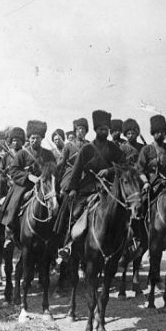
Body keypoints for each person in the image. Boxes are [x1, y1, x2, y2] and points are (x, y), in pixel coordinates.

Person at [57, 110, 125, 260]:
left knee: (121, 212)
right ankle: (68, 244)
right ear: (95, 130)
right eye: (101, 129)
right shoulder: (86, 149)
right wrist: (73, 189)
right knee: (74, 213)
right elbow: (76, 170)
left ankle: (125, 244)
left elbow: (123, 165)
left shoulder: (114, 148)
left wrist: (108, 171)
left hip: (108, 189)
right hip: (87, 187)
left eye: (106, 130)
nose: (104, 132)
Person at [0, 123, 55, 244]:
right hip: (25, 184)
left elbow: (54, 170)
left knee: (57, 201)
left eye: (38, 138)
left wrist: (45, 177)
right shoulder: (22, 154)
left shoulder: (48, 154)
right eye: (32, 138)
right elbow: (13, 170)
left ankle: (58, 236)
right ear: (29, 139)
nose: (35, 140)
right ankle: (9, 233)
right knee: (14, 201)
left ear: (42, 139)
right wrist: (29, 177)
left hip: (45, 185)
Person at [58, 118, 90, 195]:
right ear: (75, 131)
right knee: (63, 192)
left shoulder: (90, 145)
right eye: (79, 129)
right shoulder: (68, 146)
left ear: (86, 132)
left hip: (86, 173)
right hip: (71, 172)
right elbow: (61, 163)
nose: (81, 131)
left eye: (83, 129)